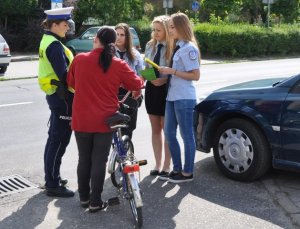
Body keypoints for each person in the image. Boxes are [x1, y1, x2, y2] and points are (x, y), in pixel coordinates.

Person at [67, 26, 144, 212]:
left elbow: (71, 83)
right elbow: (137, 83)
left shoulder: (79, 59)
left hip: (82, 119)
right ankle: (95, 202)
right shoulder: (117, 63)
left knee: (84, 159)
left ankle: (84, 199)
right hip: (106, 120)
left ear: (96, 39)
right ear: (113, 42)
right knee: (99, 161)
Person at [158, 12, 201, 183]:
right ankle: (176, 169)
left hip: (184, 97)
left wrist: (172, 71)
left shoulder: (189, 48)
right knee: (169, 133)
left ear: (181, 27)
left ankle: (187, 172)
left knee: (186, 135)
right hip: (172, 97)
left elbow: (196, 75)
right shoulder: (179, 46)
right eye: (169, 27)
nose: (170, 30)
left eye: (172, 27)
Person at [38, 7, 75, 197]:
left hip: (56, 96)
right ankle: (52, 183)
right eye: (64, 24)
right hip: (63, 98)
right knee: (59, 140)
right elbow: (64, 76)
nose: (67, 27)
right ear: (54, 25)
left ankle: (52, 177)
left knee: (54, 138)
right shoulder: (54, 45)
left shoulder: (49, 40)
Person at [144, 15, 172, 177]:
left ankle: (167, 166)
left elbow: (176, 69)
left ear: (167, 30)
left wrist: (164, 80)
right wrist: (152, 79)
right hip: (152, 89)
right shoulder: (150, 45)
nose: (155, 33)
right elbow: (144, 65)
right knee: (155, 129)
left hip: (168, 89)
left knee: (167, 130)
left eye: (159, 30)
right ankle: (158, 164)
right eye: (153, 30)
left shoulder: (173, 46)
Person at [115, 23, 144, 139]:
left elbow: (141, 75)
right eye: (116, 34)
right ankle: (116, 154)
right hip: (112, 94)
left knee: (128, 127)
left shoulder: (135, 54)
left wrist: (138, 88)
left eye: (122, 35)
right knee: (113, 127)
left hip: (130, 94)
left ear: (127, 37)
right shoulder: (108, 53)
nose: (119, 37)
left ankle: (127, 152)